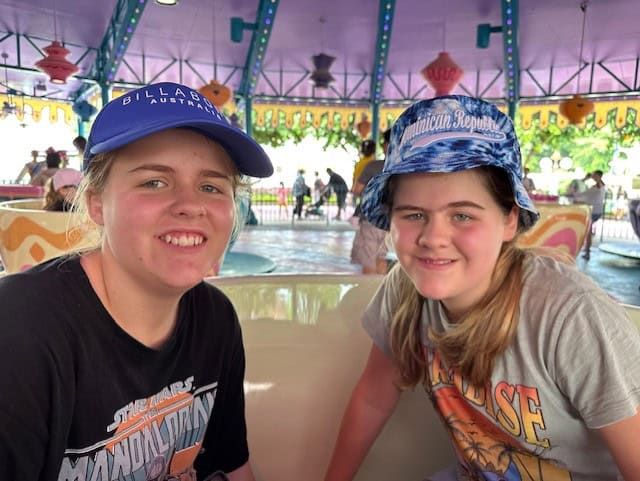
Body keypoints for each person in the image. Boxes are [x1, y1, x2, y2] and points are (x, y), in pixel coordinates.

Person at [324, 96, 640, 481]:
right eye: (414, 214)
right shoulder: (405, 291)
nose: (433, 238)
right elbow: (373, 399)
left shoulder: (569, 316)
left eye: (462, 215)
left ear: (509, 220)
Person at [0, 81, 273, 481]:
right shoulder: (21, 331)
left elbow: (231, 465)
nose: (191, 205)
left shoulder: (215, 319)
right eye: (154, 182)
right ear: (97, 204)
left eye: (211, 186)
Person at [350, 129, 390, 274]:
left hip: (371, 220)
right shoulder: (406, 169)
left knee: (369, 260)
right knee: (381, 257)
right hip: (392, 222)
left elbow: (357, 190)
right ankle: (382, 288)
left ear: (386, 145)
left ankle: (370, 289)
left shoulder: (372, 166)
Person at [573, 169, 606, 260]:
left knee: (588, 233)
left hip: (593, 211)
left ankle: (587, 251)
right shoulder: (600, 186)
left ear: (598, 176)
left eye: (594, 175)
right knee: (588, 232)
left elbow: (585, 195)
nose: (593, 177)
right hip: (596, 211)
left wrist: (585, 179)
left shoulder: (598, 187)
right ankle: (587, 250)